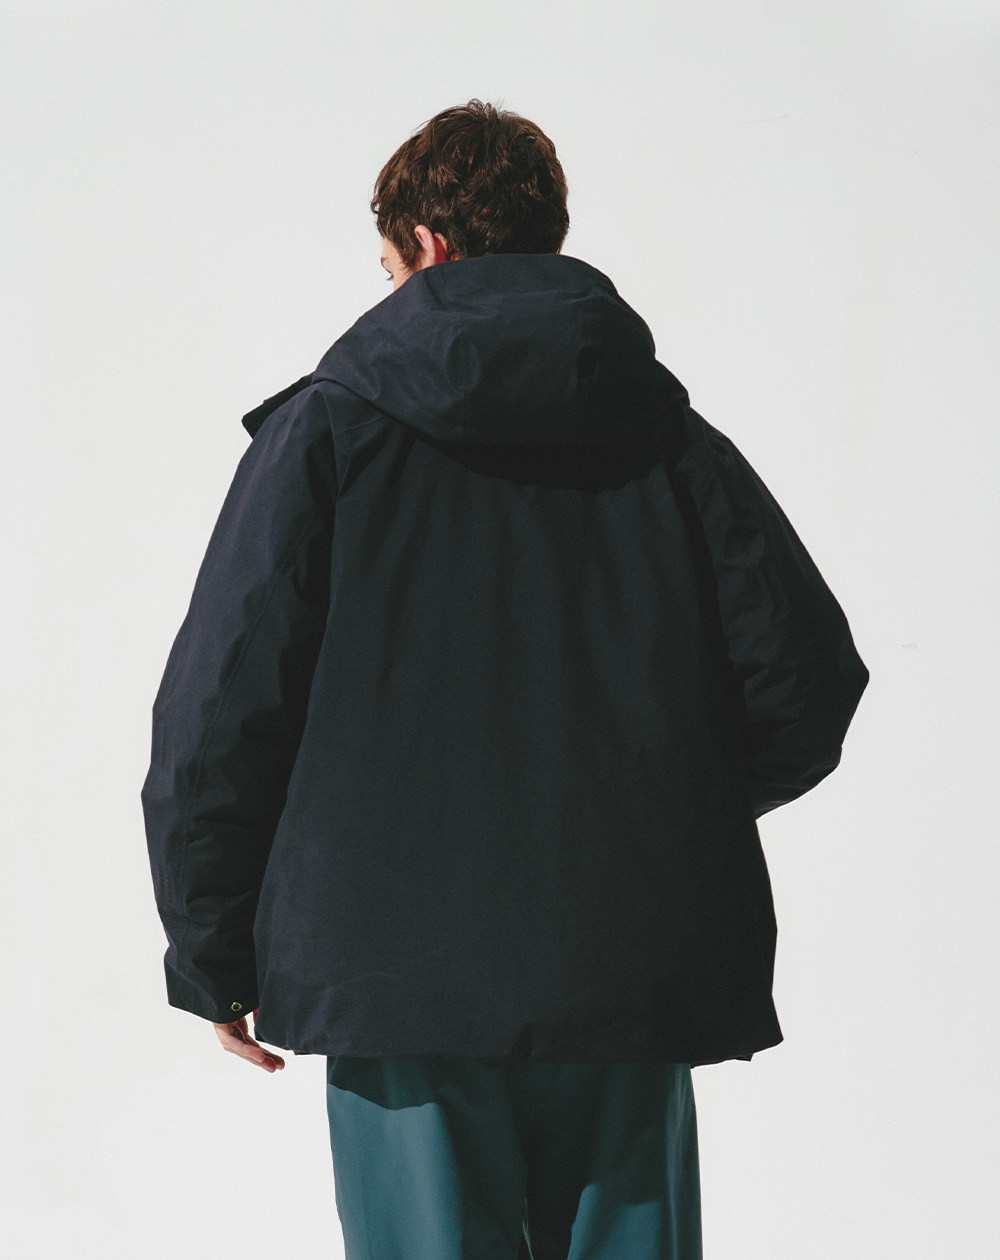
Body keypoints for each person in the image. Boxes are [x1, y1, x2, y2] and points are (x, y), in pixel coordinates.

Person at [141, 99, 869, 1259]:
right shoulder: (670, 440)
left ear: (427, 246)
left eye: (389, 267)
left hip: (393, 971)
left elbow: (220, 712)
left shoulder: (328, 434)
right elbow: (806, 683)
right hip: (627, 965)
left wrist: (213, 951)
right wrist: (655, 812)